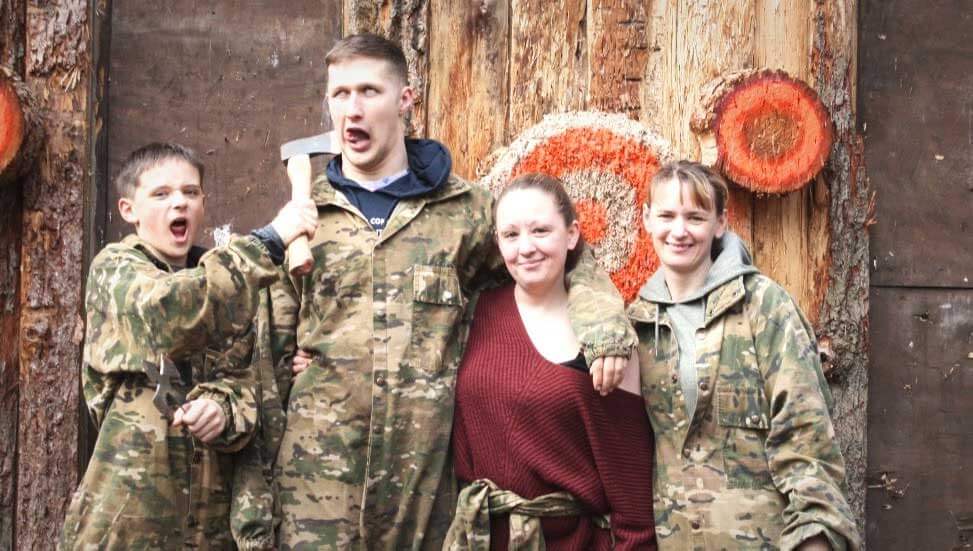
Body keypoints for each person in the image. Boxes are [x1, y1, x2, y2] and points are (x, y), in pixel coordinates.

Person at [270, 33, 636, 550]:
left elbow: (562, 259)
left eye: (370, 91)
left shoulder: (464, 214)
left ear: (405, 100)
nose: (353, 110)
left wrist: (600, 326)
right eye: (340, 94)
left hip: (425, 493)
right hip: (317, 487)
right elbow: (264, 346)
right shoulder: (305, 218)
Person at [58, 142, 317, 549]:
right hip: (128, 525)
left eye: (189, 193)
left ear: (203, 203)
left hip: (210, 530)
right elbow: (171, 315)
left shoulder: (230, 287)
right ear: (129, 210)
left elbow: (247, 389)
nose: (178, 203)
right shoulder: (115, 271)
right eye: (160, 194)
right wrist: (268, 241)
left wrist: (223, 411)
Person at [628, 160, 860, 550]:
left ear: (720, 222)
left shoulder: (763, 306)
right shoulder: (635, 325)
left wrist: (815, 536)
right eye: (667, 215)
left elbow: (807, 440)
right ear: (648, 219)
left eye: (695, 217)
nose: (679, 230)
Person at [444, 173, 657, 550]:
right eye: (511, 235)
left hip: (568, 541)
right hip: (478, 536)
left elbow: (633, 507)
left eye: (540, 230)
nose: (525, 248)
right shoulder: (475, 311)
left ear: (572, 234)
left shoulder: (604, 340)